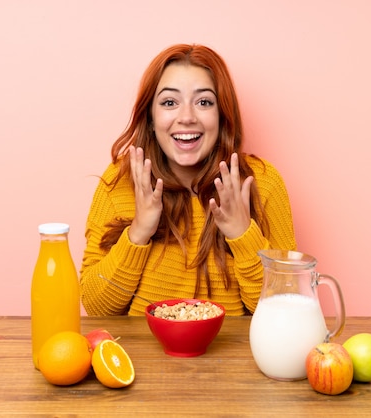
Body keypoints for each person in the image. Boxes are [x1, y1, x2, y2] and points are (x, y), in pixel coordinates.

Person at [80, 44, 296, 316]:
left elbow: (286, 314)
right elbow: (96, 307)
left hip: (231, 359)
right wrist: (139, 231)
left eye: (204, 102)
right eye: (170, 103)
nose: (186, 118)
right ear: (150, 117)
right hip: (143, 358)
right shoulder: (121, 181)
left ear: (222, 115)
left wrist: (242, 235)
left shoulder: (262, 183)